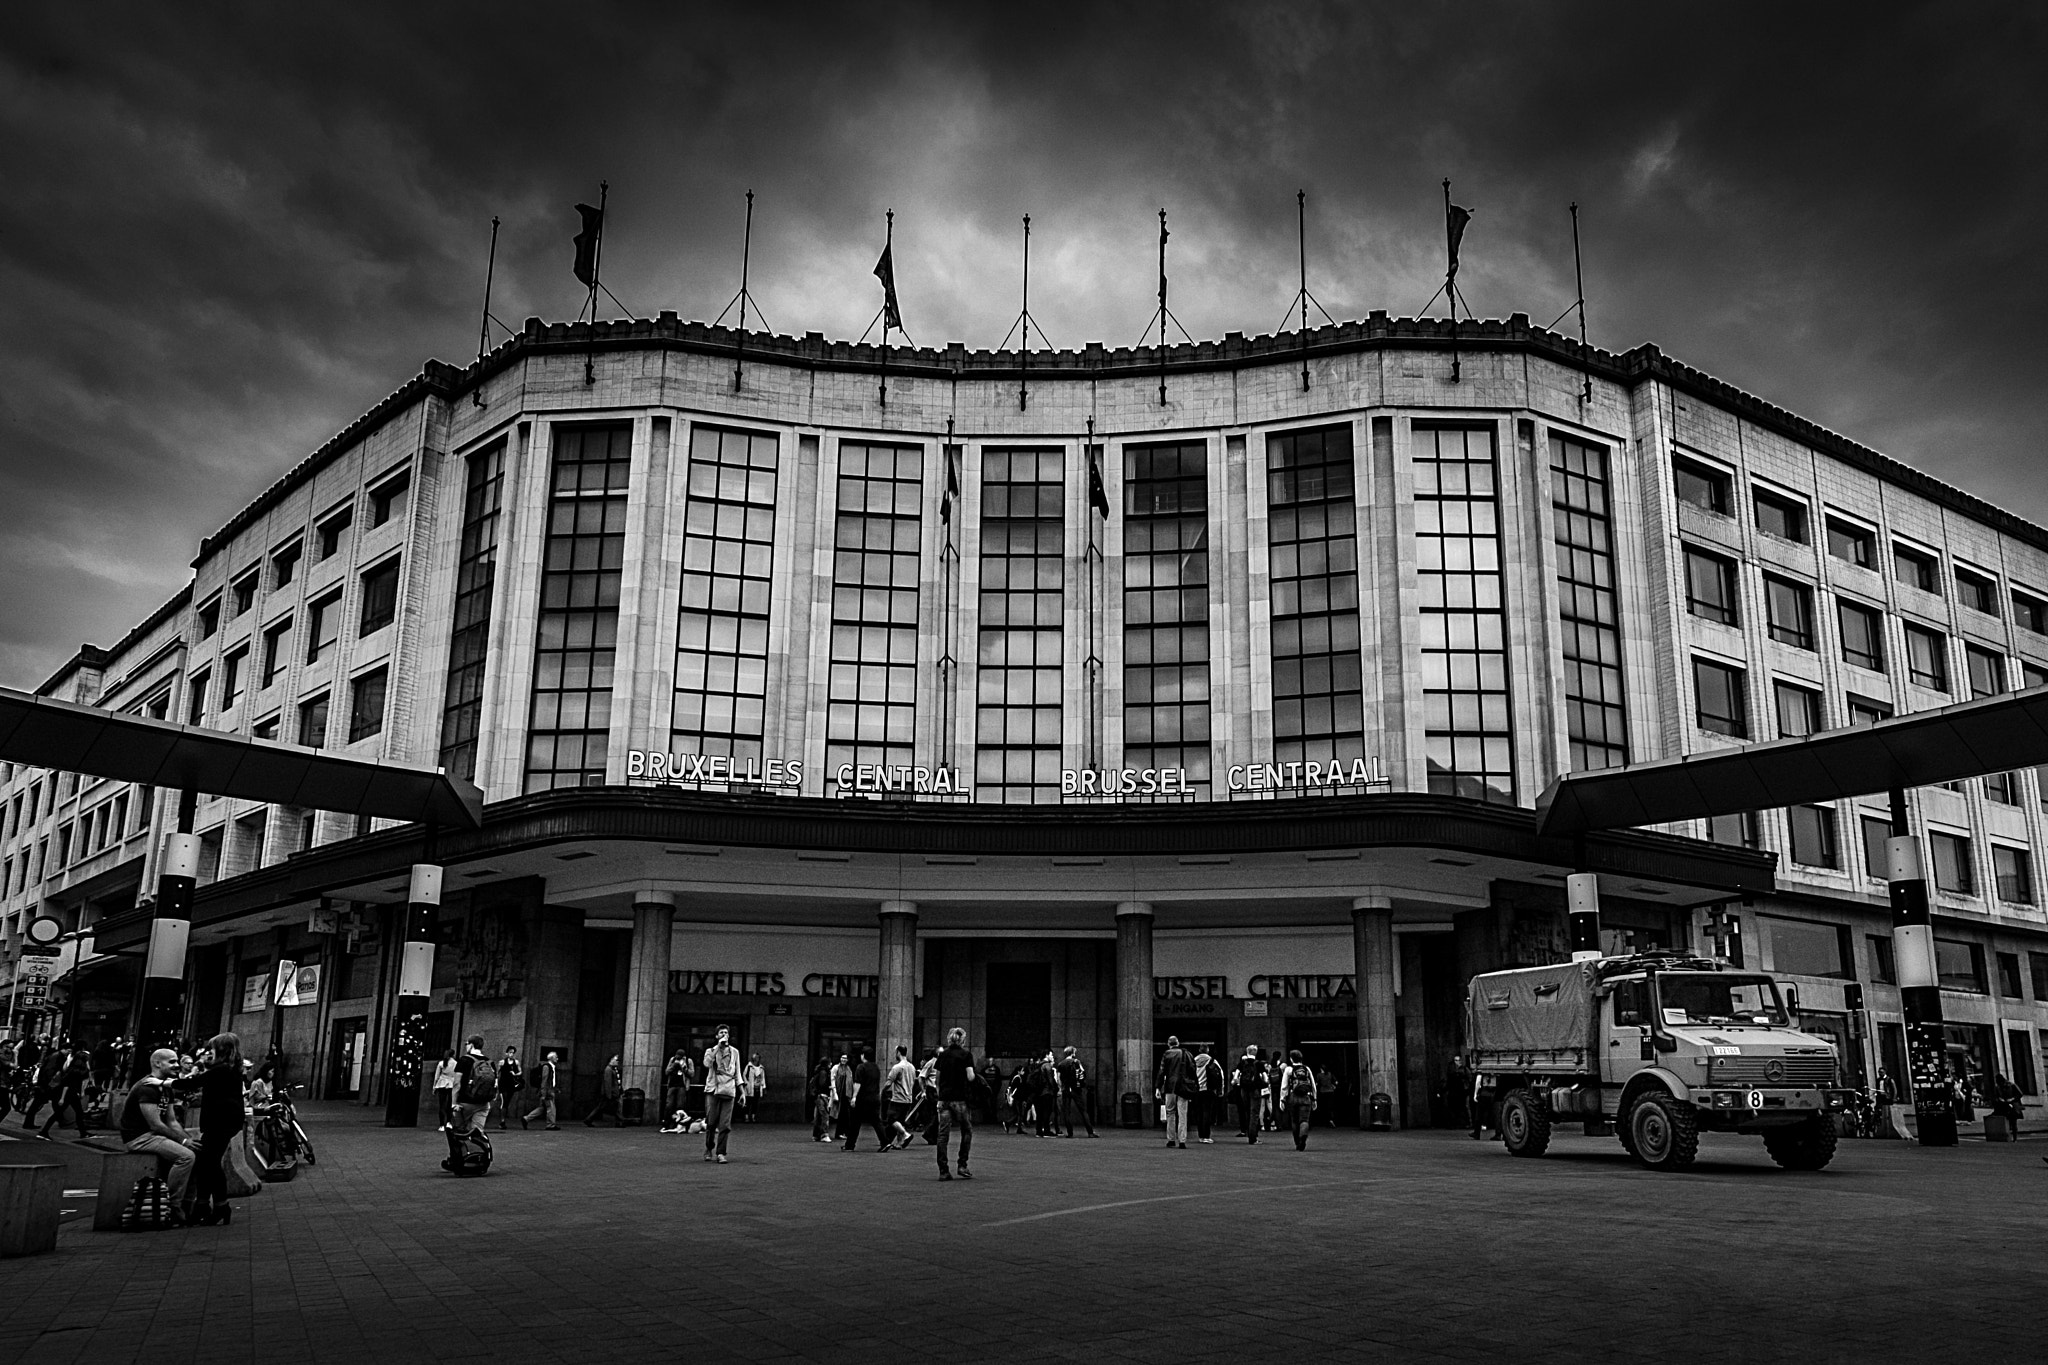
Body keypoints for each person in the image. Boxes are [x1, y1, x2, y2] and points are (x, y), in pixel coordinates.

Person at [121, 1047, 196, 1224]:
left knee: (196, 1153)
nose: (177, 1065)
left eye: (177, 1061)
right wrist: (184, 1141)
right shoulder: (147, 1088)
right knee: (186, 1157)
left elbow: (172, 1121)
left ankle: (188, 1205)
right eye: (172, 1062)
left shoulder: (165, 1087)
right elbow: (155, 1124)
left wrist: (188, 1140)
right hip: (140, 1136)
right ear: (157, 1063)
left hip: (155, 1135)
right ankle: (172, 1206)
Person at [188, 1032, 247, 1225]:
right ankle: (204, 1204)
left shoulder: (220, 1070)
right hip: (226, 1122)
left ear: (221, 1050)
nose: (209, 1052)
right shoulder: (231, 1069)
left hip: (220, 1122)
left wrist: (162, 1082)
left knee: (210, 1163)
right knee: (207, 1162)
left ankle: (220, 1205)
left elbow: (192, 1084)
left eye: (212, 1049)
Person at [935, 1027, 976, 1181]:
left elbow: (937, 1078)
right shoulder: (966, 1055)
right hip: (960, 1099)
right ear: (962, 1040)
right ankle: (962, 1164)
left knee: (942, 1135)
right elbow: (970, 1076)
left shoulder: (943, 1055)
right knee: (966, 1130)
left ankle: (943, 1170)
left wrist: (940, 1095)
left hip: (944, 1098)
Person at [701, 1025, 742, 1163]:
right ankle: (708, 1148)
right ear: (717, 1036)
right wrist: (718, 1047)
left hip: (729, 1089)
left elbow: (738, 1073)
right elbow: (707, 1064)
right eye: (721, 1033)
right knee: (711, 1122)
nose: (724, 1034)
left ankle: (721, 1153)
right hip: (713, 1089)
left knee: (725, 1124)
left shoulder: (735, 1052)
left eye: (726, 1033)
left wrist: (742, 1091)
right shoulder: (711, 1050)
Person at [38, 1039, 91, 1140]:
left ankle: (83, 1133)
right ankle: (44, 1131)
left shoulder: (74, 1069)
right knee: (62, 1112)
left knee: (76, 1112)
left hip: (71, 1093)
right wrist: (62, 1098)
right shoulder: (75, 1071)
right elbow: (67, 1084)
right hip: (69, 1093)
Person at [1157, 1035, 1193, 1149]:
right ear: (1178, 1043)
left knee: (1170, 1113)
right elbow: (1192, 1070)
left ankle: (1171, 1139)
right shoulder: (1186, 1054)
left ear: (1169, 1044)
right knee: (1182, 1113)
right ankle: (1182, 1140)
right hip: (1182, 1087)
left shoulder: (1166, 1054)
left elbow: (1162, 1071)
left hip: (1170, 1087)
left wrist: (1158, 1087)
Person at [1281, 1049, 1319, 1150]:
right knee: (1304, 1120)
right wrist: (1314, 1099)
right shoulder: (1307, 1069)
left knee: (1294, 1120)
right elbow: (1313, 1085)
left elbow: (1284, 1086)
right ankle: (1303, 1138)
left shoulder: (1289, 1069)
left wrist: (1282, 1099)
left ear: (1291, 1059)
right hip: (1305, 1097)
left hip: (1293, 1096)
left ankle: (1297, 1142)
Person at [884, 1045, 920, 1149]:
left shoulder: (897, 1067)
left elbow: (888, 1082)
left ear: (898, 1052)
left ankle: (905, 1134)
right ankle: (899, 1143)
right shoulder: (912, 1067)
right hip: (908, 1098)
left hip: (898, 1098)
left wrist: (884, 1091)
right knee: (900, 1121)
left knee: (891, 1119)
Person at [1057, 1046, 1096, 1137]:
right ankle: (1090, 1132)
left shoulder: (1061, 1064)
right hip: (1076, 1089)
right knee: (1083, 1111)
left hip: (1066, 1089)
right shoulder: (1076, 1062)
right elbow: (1082, 1073)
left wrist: (1061, 1088)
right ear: (1073, 1053)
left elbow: (1059, 1078)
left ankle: (1070, 1133)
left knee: (1067, 1112)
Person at [523, 1051, 561, 1129]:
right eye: (556, 1057)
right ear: (552, 1058)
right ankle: (550, 1125)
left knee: (542, 1108)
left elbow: (551, 1080)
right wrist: (544, 1093)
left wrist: (555, 1089)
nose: (557, 1058)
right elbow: (544, 1080)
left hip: (550, 1090)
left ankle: (526, 1118)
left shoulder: (552, 1067)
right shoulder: (546, 1067)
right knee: (551, 1108)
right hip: (547, 1091)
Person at [491, 1046, 524, 1131]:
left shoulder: (516, 1062)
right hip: (503, 1084)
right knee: (504, 1100)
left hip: (511, 1085)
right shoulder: (502, 1062)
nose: (511, 1054)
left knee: (507, 1101)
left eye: (513, 1053)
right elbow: (497, 1073)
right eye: (510, 1052)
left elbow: (520, 1072)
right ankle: (502, 1121)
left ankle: (503, 1120)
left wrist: (515, 1074)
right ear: (506, 1053)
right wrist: (496, 1082)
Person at [1235, 1047, 1264, 1144]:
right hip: (1255, 1090)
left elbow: (1236, 1077)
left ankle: (1248, 1133)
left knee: (1247, 1112)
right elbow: (1265, 1079)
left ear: (1247, 1052)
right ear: (1255, 1053)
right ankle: (1253, 1138)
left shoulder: (1242, 1063)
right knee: (1254, 1114)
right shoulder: (1259, 1064)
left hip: (1244, 1090)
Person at [1192, 1048, 1221, 1143]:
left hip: (1197, 1090)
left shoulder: (1193, 1061)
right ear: (1208, 1050)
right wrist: (1221, 1090)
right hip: (1208, 1090)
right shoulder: (1212, 1061)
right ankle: (1206, 1136)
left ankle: (1200, 1136)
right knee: (1207, 1113)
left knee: (1199, 1113)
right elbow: (1220, 1075)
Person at [584, 1054, 623, 1126]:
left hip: (612, 1093)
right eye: (616, 1060)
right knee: (605, 1107)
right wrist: (609, 1095)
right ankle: (589, 1119)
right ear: (611, 1060)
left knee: (612, 1107)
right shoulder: (608, 1070)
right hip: (610, 1094)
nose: (618, 1061)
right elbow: (607, 1083)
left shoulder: (613, 1069)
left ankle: (619, 1121)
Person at [663, 1048, 695, 1126]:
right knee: (669, 1105)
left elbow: (692, 1074)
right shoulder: (672, 1060)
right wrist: (673, 1065)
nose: (678, 1058)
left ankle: (679, 1124)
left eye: (679, 1057)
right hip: (672, 1085)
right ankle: (667, 1123)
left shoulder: (688, 1061)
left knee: (680, 1105)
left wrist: (684, 1068)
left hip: (682, 1086)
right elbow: (666, 1072)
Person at [829, 1052, 856, 1145]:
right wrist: (835, 1093)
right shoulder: (836, 1068)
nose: (843, 1059)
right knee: (840, 1114)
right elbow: (832, 1080)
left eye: (845, 1058)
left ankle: (845, 1132)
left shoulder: (848, 1069)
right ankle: (839, 1133)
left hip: (846, 1095)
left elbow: (851, 1081)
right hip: (839, 1094)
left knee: (846, 1114)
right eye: (842, 1058)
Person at [431, 1049, 459, 1129]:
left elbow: (436, 1076)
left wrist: (434, 1086)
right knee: (449, 1104)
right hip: (451, 1084)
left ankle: (441, 1124)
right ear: (453, 1055)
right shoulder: (456, 1063)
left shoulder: (441, 1063)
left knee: (442, 1104)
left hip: (441, 1083)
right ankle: (448, 1122)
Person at [811, 1057, 835, 1142]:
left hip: (818, 1095)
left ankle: (816, 1135)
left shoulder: (819, 1071)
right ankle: (824, 1134)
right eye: (830, 1063)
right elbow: (822, 1084)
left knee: (818, 1116)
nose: (831, 1064)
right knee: (825, 1115)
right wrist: (829, 1087)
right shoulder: (824, 1072)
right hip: (822, 1095)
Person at [742, 1053, 766, 1122]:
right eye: (756, 1058)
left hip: (757, 1087)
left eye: (758, 1058)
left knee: (755, 1103)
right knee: (748, 1102)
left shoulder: (761, 1068)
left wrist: (763, 1086)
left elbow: (762, 1077)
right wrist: (746, 1082)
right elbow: (744, 1074)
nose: (757, 1059)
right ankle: (746, 1116)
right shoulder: (749, 1066)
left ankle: (753, 1117)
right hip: (750, 1087)